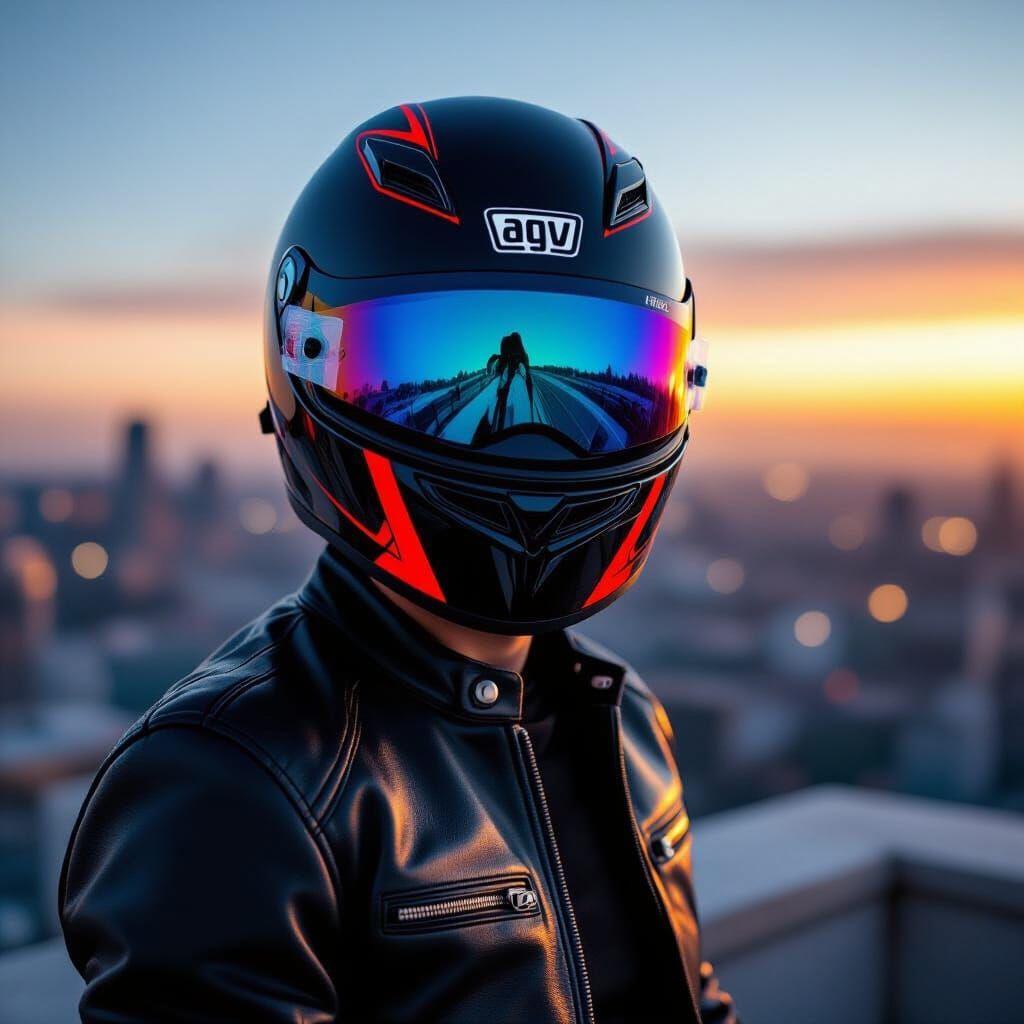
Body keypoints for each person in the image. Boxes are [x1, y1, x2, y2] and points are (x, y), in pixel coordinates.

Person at [59, 97, 733, 1023]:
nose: (533, 449)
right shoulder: (228, 780)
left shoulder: (627, 722)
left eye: (609, 352)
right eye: (424, 361)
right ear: (307, 364)